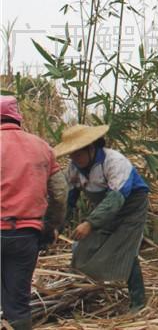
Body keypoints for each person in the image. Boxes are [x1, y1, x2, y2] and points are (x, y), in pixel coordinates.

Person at [54, 124, 149, 313]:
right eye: (71, 154)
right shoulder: (74, 169)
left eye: (78, 154)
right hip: (104, 209)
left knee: (126, 250)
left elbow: (116, 197)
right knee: (84, 248)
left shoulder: (114, 162)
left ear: (91, 147)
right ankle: (91, 290)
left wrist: (90, 223)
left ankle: (138, 302)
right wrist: (57, 225)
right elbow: (69, 199)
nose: (74, 158)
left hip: (130, 207)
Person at [0, 96, 68, 330]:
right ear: (17, 117)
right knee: (18, 303)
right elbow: (59, 193)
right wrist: (50, 227)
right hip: (26, 234)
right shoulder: (41, 146)